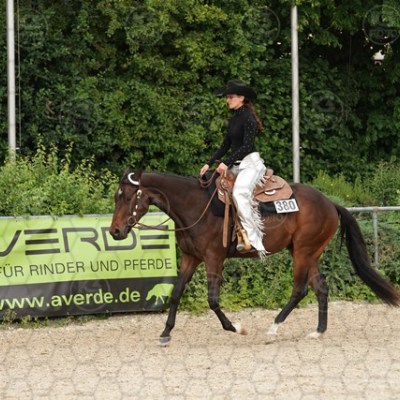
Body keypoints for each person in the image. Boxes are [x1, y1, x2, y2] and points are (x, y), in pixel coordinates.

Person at [199, 79, 268, 258]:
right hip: (237, 165)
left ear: (241, 98)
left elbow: (246, 147)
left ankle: (254, 240)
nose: (227, 100)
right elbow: (225, 145)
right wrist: (209, 163)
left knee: (240, 193)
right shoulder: (233, 119)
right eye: (227, 97)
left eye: (231, 97)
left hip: (251, 164)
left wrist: (226, 162)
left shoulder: (249, 119)